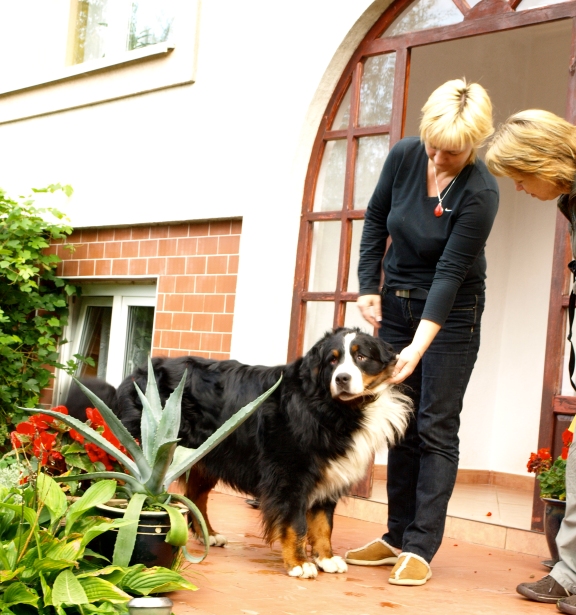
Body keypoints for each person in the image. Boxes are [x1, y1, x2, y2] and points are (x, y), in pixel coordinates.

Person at [344, 79, 499, 586]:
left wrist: (418, 344)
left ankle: (421, 545)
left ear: (473, 143)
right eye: (432, 145)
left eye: (449, 152)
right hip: (397, 303)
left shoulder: (480, 191)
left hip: (451, 314)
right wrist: (370, 284)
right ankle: (394, 537)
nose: (436, 157)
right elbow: (374, 219)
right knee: (400, 420)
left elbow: (452, 274)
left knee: (435, 424)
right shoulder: (406, 155)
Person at [484, 109, 576, 615]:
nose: (518, 188)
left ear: (545, 162)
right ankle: (568, 573)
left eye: (520, 177)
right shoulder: (572, 201)